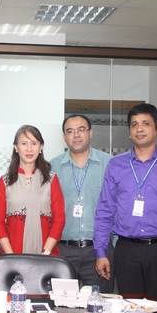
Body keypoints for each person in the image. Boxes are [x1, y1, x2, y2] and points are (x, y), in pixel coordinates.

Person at [94, 103, 157, 305]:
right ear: (129, 132)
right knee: (130, 310)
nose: (139, 129)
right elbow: (105, 210)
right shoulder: (116, 165)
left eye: (146, 123)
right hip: (127, 249)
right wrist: (100, 252)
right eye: (134, 124)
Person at [50, 115, 114, 291]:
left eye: (81, 130)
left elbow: (117, 206)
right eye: (70, 131)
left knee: (99, 307)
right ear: (64, 137)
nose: (76, 135)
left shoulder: (109, 164)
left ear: (90, 133)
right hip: (63, 250)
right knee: (62, 306)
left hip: (98, 249)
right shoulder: (52, 167)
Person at [0, 125, 65, 255]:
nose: (29, 149)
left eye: (34, 143)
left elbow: (59, 219)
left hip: (46, 255)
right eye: (24, 143)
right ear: (16, 147)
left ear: (41, 147)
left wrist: (46, 252)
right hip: (12, 254)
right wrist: (10, 255)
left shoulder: (51, 179)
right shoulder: (5, 181)